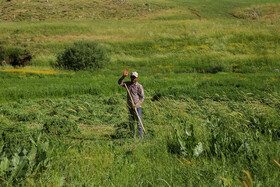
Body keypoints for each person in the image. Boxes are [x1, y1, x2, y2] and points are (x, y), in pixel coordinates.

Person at [118, 69, 144, 139]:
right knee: (131, 122)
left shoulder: (139, 86)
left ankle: (141, 138)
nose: (133, 78)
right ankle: (133, 137)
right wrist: (123, 76)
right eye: (132, 77)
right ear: (130, 77)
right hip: (130, 106)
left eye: (134, 77)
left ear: (137, 78)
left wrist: (137, 105)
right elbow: (119, 83)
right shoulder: (127, 84)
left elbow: (142, 98)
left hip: (137, 107)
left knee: (139, 123)